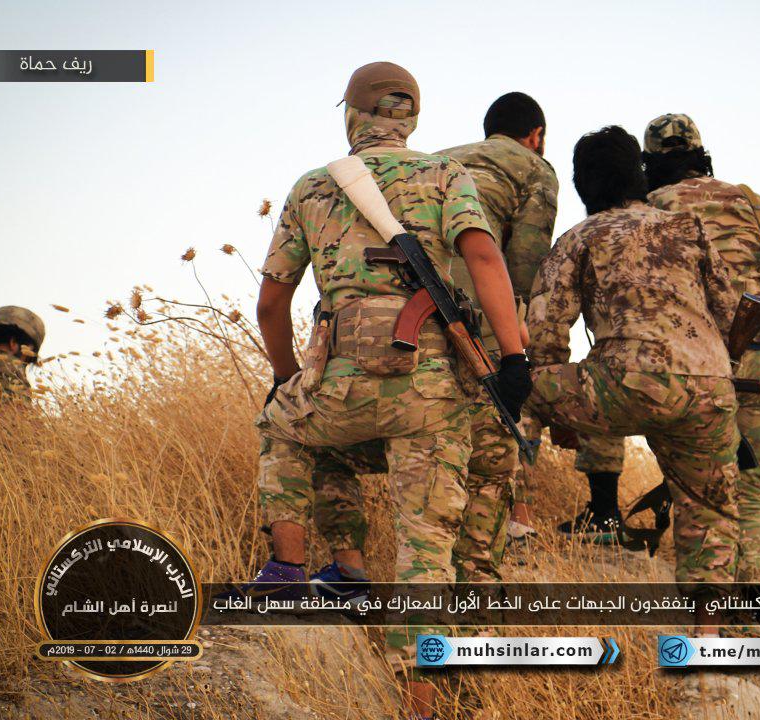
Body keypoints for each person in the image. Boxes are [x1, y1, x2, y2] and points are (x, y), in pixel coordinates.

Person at [250, 61, 528, 719]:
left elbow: (271, 302)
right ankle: (419, 701)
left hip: (339, 387)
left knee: (283, 428)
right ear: (412, 115)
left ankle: (295, 571)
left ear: (352, 113)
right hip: (430, 393)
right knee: (425, 548)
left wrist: (286, 379)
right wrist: (513, 359)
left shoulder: (313, 187)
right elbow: (485, 258)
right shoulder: (443, 174)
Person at [526, 126, 740, 630]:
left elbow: (545, 329)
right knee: (709, 509)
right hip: (708, 387)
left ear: (583, 184)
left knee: (512, 394)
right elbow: (732, 312)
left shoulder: (581, 237)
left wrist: (557, 399)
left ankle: (511, 523)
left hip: (622, 386)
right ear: (637, 174)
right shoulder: (688, 228)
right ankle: (707, 634)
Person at [641, 113, 760, 582]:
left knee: (700, 482)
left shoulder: (652, 203)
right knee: (749, 486)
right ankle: (752, 604)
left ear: (650, 162)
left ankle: (712, 601)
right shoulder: (749, 199)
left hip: (696, 356)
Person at [437, 91, 559, 564]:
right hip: (479, 307)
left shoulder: (441, 158)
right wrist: (518, 342)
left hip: (413, 308)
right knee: (494, 428)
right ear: (537, 136)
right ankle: (504, 535)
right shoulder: (532, 168)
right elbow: (523, 266)